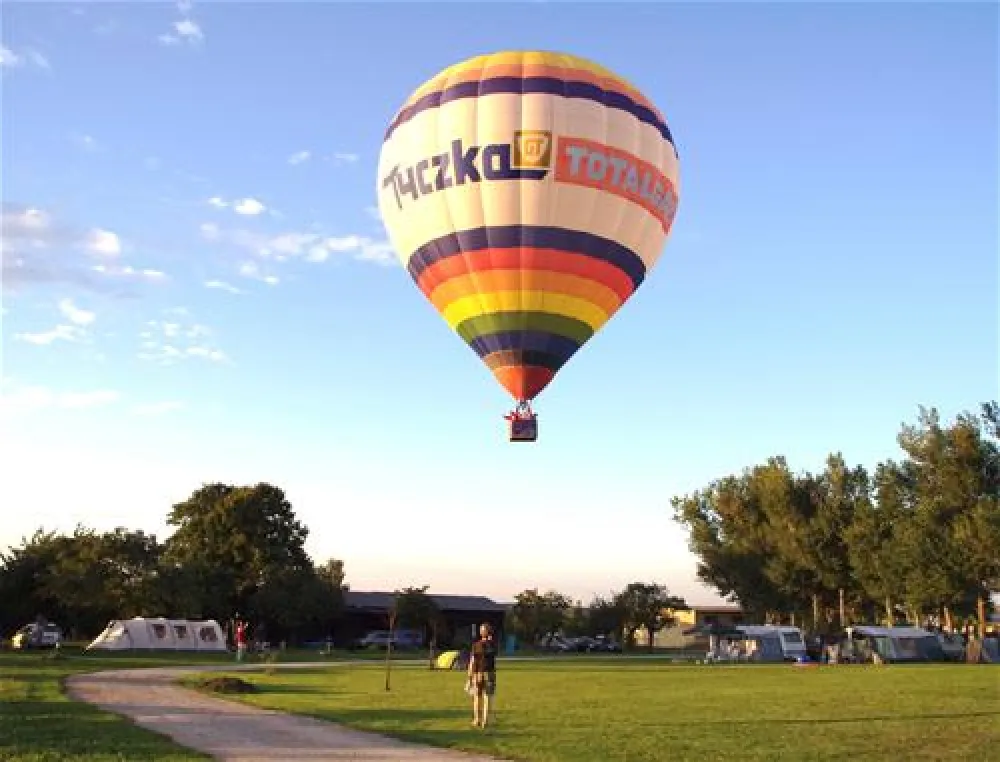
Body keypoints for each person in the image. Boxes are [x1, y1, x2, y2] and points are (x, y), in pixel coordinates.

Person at [467, 622, 498, 728]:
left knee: (477, 697)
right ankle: (485, 720)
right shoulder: (493, 644)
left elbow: (472, 662)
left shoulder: (476, 645)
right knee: (487, 697)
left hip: (478, 673)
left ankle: (477, 719)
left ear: (481, 633)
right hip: (490, 673)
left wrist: (469, 678)